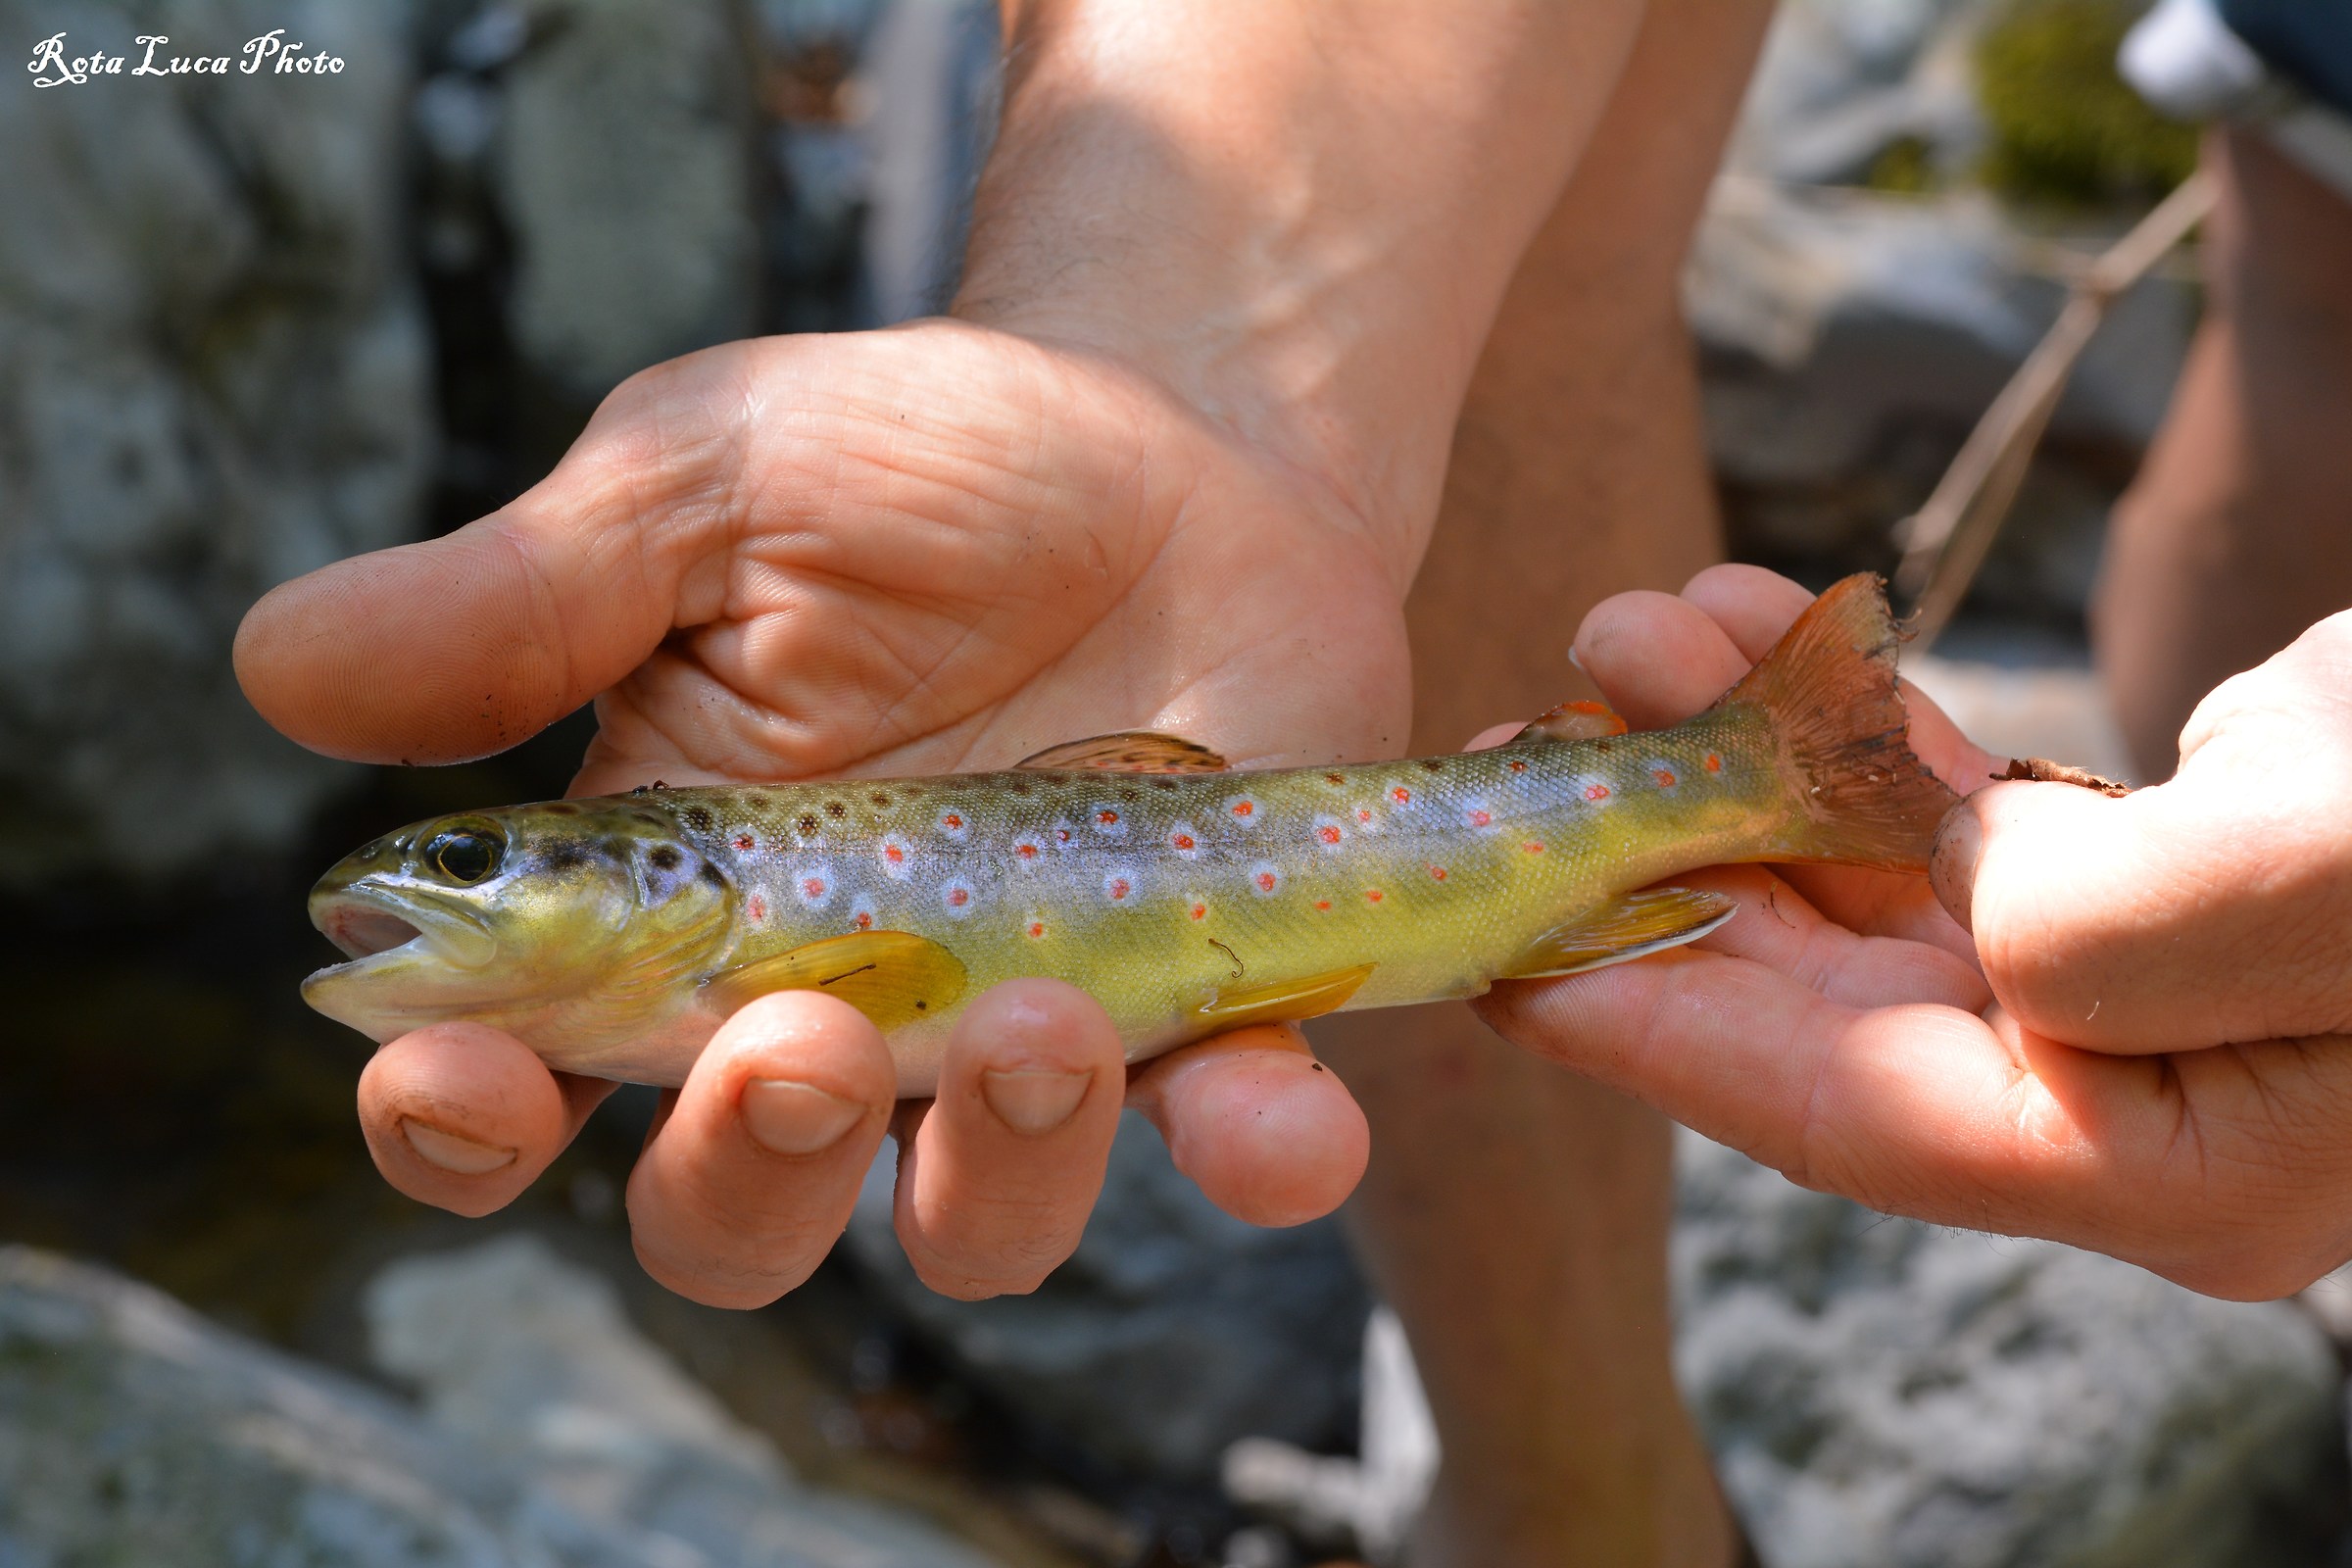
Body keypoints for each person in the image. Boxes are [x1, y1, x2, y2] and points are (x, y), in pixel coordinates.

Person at [233, 5, 2352, 1565]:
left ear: (648, 866)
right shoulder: (715, 922)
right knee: (2319, 290)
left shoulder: (739, 911)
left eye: (481, 856)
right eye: (472, 862)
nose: (442, 891)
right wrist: (1181, 371)